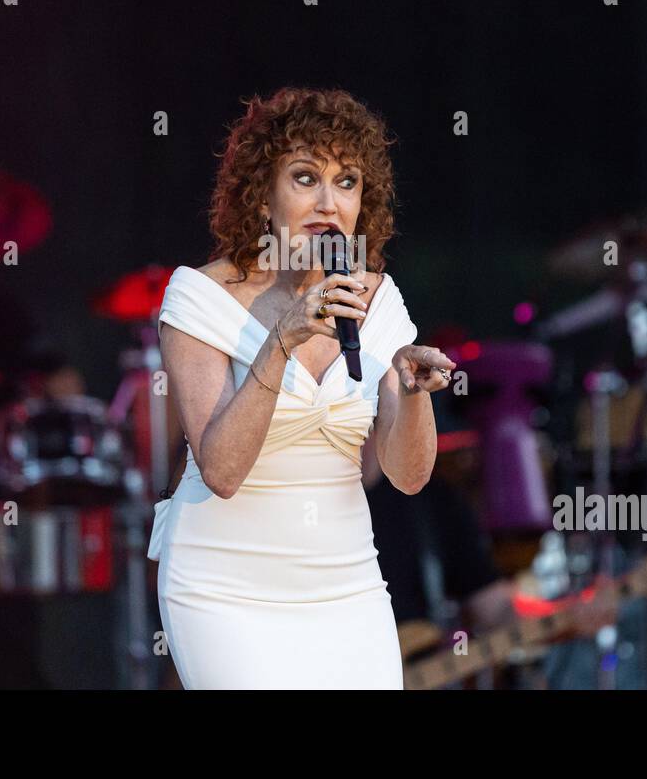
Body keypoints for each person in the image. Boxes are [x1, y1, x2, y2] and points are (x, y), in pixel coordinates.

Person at [149, 87, 456, 689]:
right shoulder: (198, 297)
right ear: (262, 192)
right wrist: (281, 341)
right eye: (306, 177)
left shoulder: (377, 298)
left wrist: (412, 392)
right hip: (223, 588)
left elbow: (408, 476)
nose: (327, 200)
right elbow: (222, 470)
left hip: (347, 586)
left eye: (346, 182)